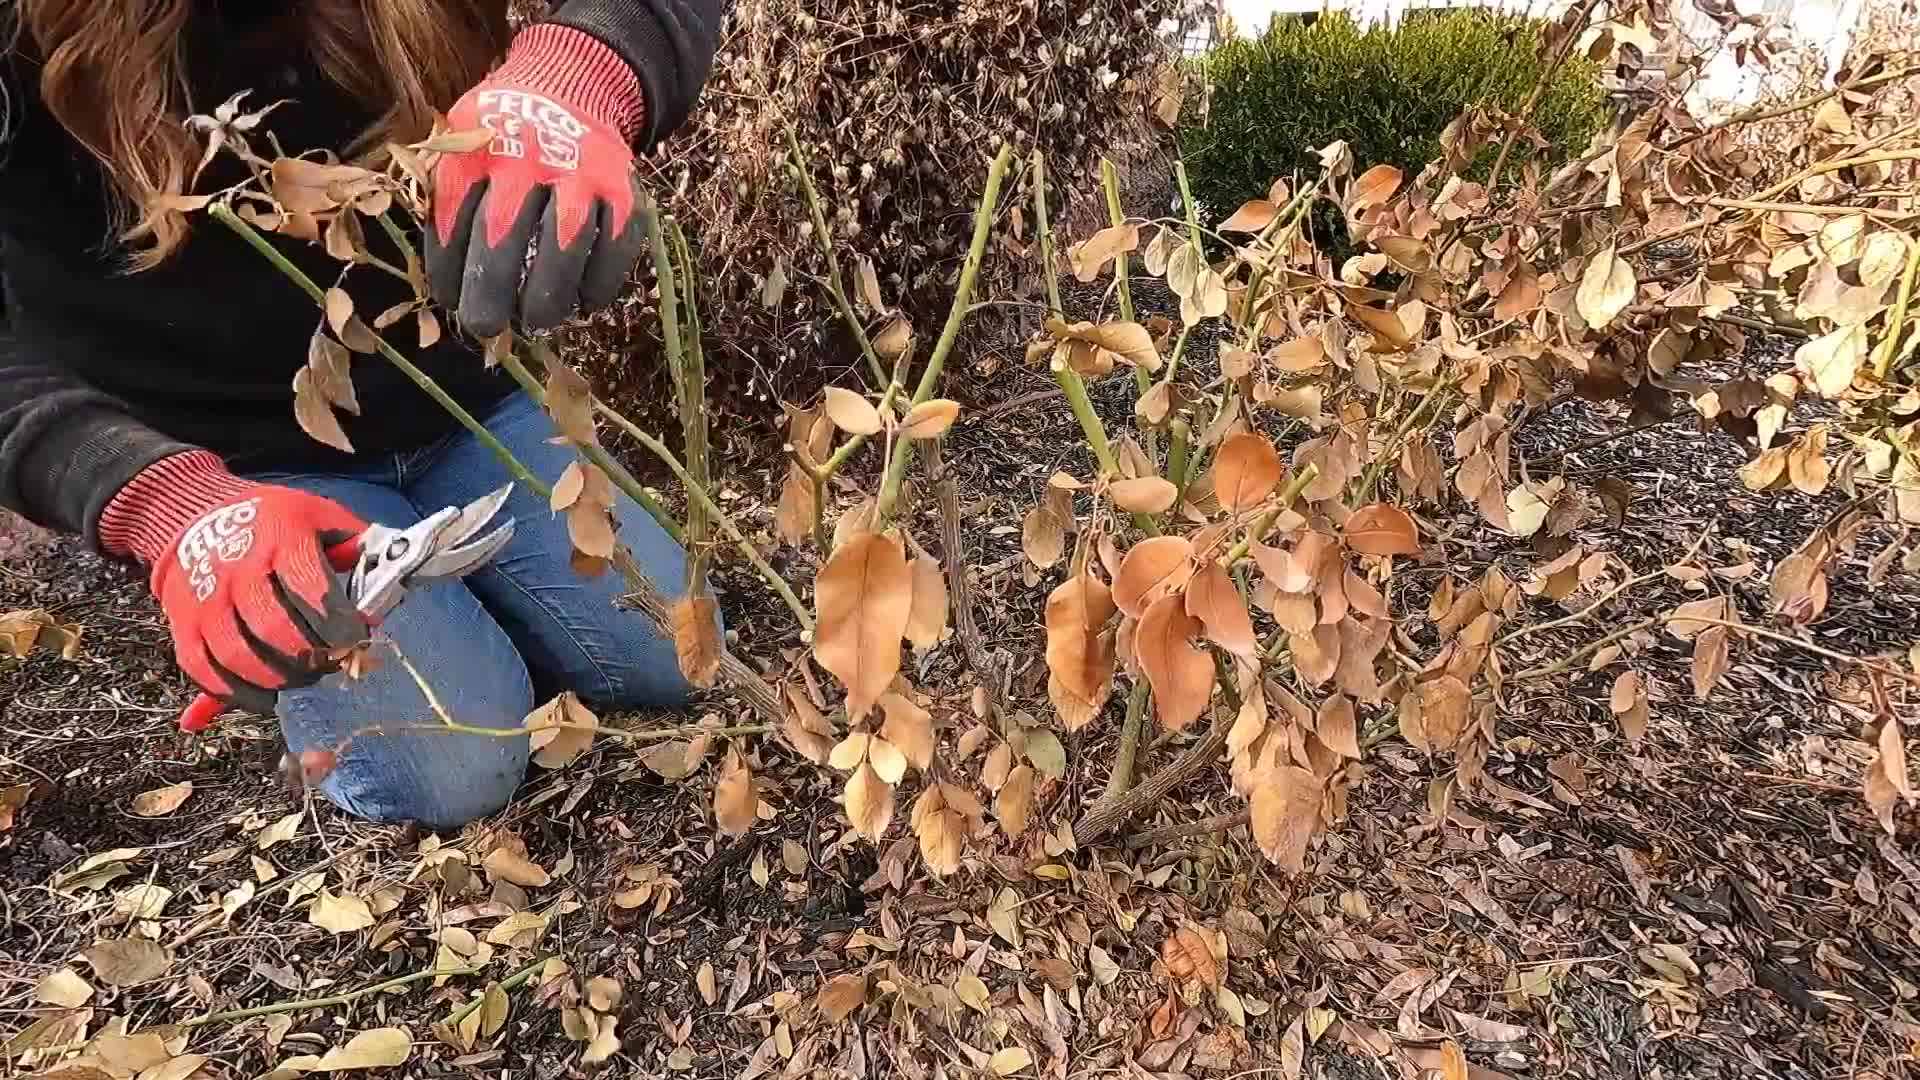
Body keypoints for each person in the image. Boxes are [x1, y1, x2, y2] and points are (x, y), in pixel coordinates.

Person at [0, 0, 723, 829]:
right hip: (242, 476)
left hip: (461, 399)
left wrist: (580, 71)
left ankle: (450, 615)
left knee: (680, 654)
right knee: (454, 767)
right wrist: (159, 505)